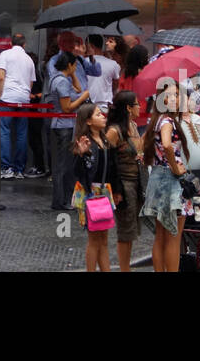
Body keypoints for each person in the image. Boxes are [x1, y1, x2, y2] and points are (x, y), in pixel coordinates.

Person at [140, 78, 194, 273]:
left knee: (161, 237)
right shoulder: (168, 121)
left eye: (178, 95)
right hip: (171, 182)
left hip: (156, 180)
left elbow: (141, 145)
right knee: (173, 237)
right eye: (170, 95)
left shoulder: (155, 120)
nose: (175, 98)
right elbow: (167, 144)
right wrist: (174, 166)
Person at [72, 103, 121, 272]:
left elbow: (113, 167)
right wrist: (81, 154)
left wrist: (116, 189)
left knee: (104, 239)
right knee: (94, 239)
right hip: (90, 193)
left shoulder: (104, 140)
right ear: (88, 121)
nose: (103, 117)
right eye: (98, 114)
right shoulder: (85, 142)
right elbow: (78, 172)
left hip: (104, 191)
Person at [106, 91, 143, 271]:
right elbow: (109, 161)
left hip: (137, 182)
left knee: (132, 229)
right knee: (125, 231)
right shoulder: (114, 131)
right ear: (128, 108)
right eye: (137, 104)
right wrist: (116, 189)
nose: (140, 107)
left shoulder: (134, 126)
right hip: (124, 184)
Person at [46, 51, 89, 210]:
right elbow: (67, 107)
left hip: (62, 125)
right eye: (74, 65)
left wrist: (73, 75)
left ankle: (63, 199)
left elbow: (77, 88)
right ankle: (61, 201)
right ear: (69, 65)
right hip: (64, 125)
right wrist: (83, 98)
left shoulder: (59, 78)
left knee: (64, 164)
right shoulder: (62, 82)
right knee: (63, 166)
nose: (76, 68)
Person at [0, 33, 35, 180]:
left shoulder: (5, 54)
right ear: (24, 44)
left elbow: (1, 77)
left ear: (11, 42)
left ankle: (6, 168)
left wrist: (0, 96)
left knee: (5, 132)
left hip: (7, 97)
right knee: (21, 134)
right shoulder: (29, 59)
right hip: (24, 99)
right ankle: (19, 169)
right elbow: (31, 82)